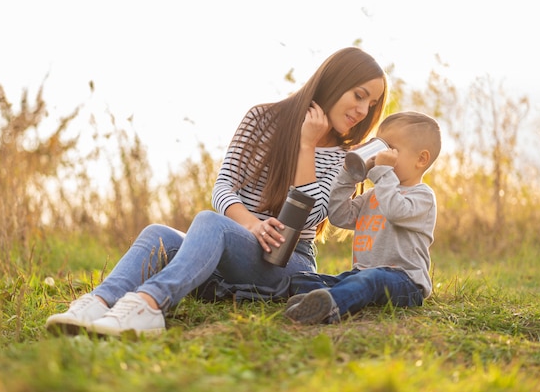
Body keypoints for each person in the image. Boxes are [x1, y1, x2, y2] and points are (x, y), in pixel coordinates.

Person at [45, 47, 388, 337]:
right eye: (359, 95)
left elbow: (310, 218)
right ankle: (98, 303)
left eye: (371, 104)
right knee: (157, 234)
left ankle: (150, 305)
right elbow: (224, 187)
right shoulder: (262, 118)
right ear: (333, 82)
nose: (362, 111)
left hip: (288, 262)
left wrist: (306, 146)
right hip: (235, 245)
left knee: (210, 224)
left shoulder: (344, 159)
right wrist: (251, 225)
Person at [284, 111, 441, 325]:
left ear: (421, 159)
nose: (380, 156)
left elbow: (395, 211)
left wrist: (383, 172)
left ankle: (331, 306)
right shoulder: (373, 195)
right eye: (380, 146)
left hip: (405, 282)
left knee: (370, 280)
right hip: (362, 275)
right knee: (303, 279)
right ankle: (324, 298)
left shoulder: (422, 196)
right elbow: (339, 216)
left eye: (391, 149)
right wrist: (348, 175)